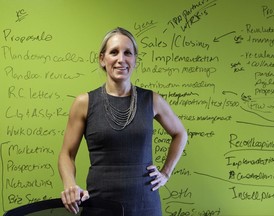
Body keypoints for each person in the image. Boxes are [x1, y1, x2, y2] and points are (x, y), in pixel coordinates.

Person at [58, 27, 187, 216]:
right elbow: (66, 154)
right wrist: (70, 184)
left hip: (145, 205)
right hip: (100, 204)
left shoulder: (152, 100)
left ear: (135, 60)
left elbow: (180, 133)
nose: (121, 59)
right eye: (114, 52)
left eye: (128, 53)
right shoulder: (84, 103)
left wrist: (166, 173)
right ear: (102, 59)